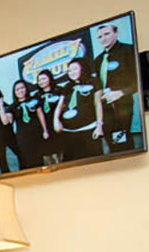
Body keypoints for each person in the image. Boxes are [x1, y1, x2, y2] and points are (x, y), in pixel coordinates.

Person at [94, 22, 138, 151]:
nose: (104, 38)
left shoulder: (129, 51)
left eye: (107, 34)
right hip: (105, 110)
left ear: (116, 32)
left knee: (121, 144)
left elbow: (137, 80)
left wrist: (121, 93)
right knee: (111, 144)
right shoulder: (98, 60)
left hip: (122, 107)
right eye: (100, 36)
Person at [54, 58, 103, 161]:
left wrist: (99, 126)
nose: (72, 72)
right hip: (69, 133)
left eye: (75, 69)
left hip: (88, 131)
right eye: (70, 70)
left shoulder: (94, 82)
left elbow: (97, 103)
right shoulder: (68, 86)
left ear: (83, 68)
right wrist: (56, 121)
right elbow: (59, 106)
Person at [11, 80, 48, 169]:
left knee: (39, 159)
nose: (20, 91)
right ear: (14, 92)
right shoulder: (12, 106)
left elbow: (40, 114)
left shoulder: (34, 100)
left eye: (22, 88)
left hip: (37, 134)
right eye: (17, 89)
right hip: (23, 137)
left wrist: (45, 130)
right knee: (28, 160)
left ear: (26, 88)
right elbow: (8, 121)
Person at [35, 70, 63, 164]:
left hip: (57, 124)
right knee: (48, 152)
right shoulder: (37, 96)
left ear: (50, 78)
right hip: (45, 126)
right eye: (39, 80)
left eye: (43, 79)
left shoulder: (59, 90)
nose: (41, 82)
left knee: (59, 151)